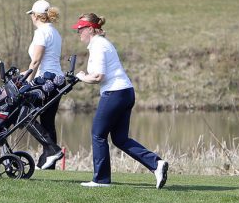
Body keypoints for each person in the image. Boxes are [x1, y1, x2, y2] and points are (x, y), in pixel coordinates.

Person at [72, 13, 168, 189]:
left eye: (81, 29)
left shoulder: (98, 45)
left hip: (115, 93)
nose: (78, 32)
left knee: (98, 134)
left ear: (91, 29)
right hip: (125, 92)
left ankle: (100, 180)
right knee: (120, 139)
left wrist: (81, 77)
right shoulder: (101, 43)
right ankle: (156, 164)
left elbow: (99, 76)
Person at [25, 0, 66, 170]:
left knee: (24, 116)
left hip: (46, 82)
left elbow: (36, 61)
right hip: (57, 80)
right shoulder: (55, 32)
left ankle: (52, 149)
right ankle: (49, 163)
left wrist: (26, 82)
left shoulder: (41, 33)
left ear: (36, 16)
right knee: (48, 122)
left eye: (32, 15)